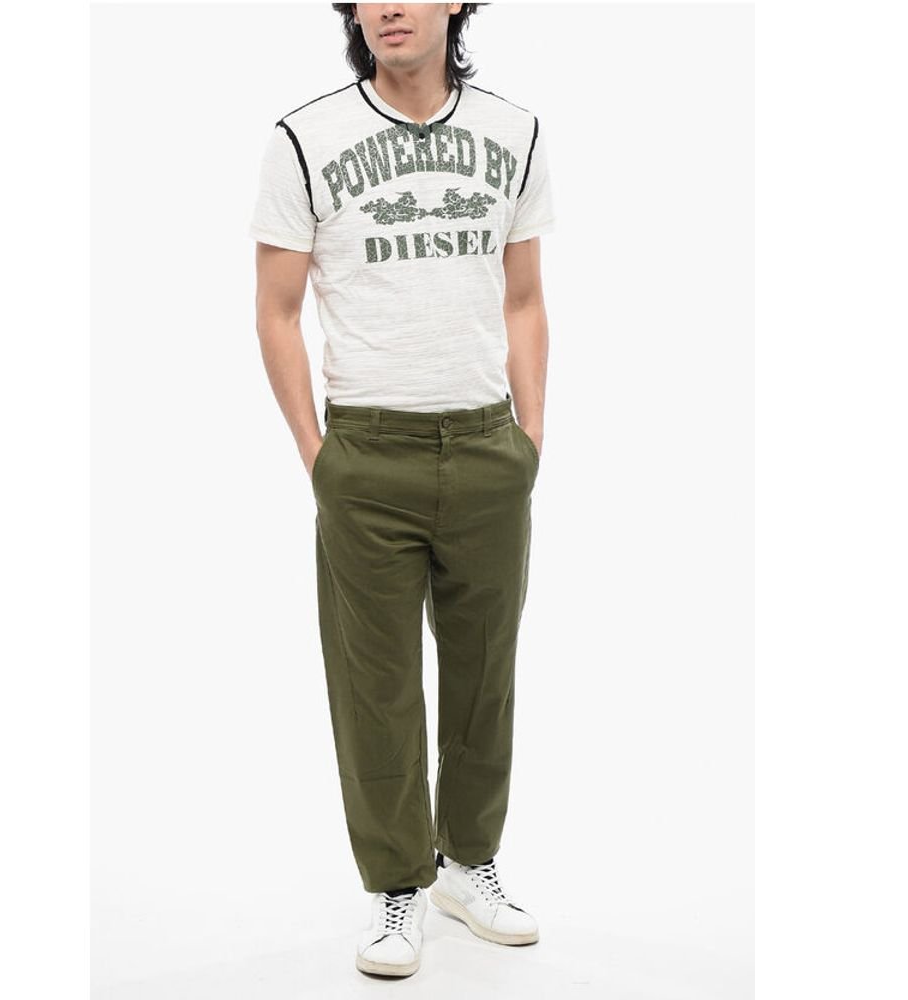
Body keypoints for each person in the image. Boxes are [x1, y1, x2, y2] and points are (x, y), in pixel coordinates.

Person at [248, 2, 554, 978]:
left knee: (484, 675)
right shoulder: (306, 138)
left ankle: (468, 864)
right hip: (367, 453)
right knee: (374, 685)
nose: (389, 6)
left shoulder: (514, 132)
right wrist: (319, 455)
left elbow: (523, 296)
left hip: (485, 444)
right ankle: (396, 884)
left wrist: (528, 439)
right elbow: (276, 309)